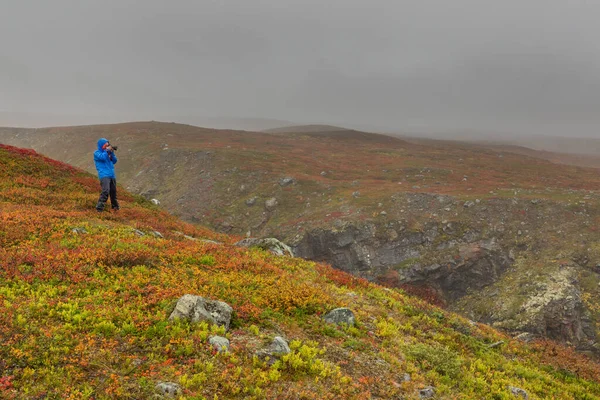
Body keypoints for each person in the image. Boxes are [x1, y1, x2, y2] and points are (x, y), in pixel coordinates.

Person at [94, 138, 119, 212]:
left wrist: (112, 152)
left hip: (112, 175)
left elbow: (114, 161)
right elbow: (103, 158)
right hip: (104, 174)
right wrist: (107, 151)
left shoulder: (108, 152)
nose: (107, 146)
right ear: (101, 145)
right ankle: (99, 209)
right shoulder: (97, 153)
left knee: (113, 192)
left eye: (108, 144)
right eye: (105, 144)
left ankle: (115, 208)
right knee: (105, 191)